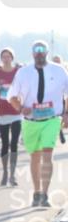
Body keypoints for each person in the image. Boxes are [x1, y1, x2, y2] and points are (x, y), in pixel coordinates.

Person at [8, 40, 68, 207]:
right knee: (35, 156)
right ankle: (37, 192)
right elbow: (12, 96)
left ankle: (46, 194)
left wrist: (66, 113)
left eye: (42, 50)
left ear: (47, 52)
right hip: (31, 120)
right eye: (36, 50)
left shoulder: (59, 71)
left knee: (48, 153)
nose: (39, 53)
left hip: (51, 119)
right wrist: (20, 107)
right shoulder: (23, 72)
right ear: (32, 53)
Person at [0, 48, 21, 186]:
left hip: (16, 112)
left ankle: (13, 174)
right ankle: (5, 172)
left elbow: (24, 87)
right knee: (4, 144)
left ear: (12, 58)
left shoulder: (18, 72)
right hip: (2, 111)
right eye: (4, 56)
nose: (6, 58)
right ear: (1, 58)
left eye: (8, 56)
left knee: (14, 143)